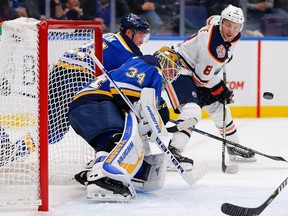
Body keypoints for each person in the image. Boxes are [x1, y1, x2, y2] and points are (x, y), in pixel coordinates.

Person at [68, 47, 182, 200]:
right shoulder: (151, 65)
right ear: (164, 61)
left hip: (84, 106)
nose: (172, 77)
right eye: (172, 70)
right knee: (120, 141)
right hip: (96, 102)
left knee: (112, 141)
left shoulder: (141, 65)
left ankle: (94, 169)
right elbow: (123, 90)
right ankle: (101, 179)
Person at [165, 4, 257, 171]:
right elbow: (201, 81)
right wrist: (222, 89)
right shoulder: (212, 47)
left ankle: (233, 145)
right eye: (228, 25)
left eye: (236, 27)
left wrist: (219, 92)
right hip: (177, 68)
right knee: (192, 110)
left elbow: (210, 19)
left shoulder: (218, 24)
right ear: (222, 22)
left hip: (194, 71)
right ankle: (173, 152)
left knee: (218, 107)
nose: (231, 30)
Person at [48, 13, 162, 146]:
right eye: (140, 36)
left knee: (53, 130)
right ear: (130, 32)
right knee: (107, 118)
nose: (142, 42)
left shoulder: (109, 36)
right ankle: (107, 153)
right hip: (78, 77)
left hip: (57, 74)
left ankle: (19, 149)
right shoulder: (128, 54)